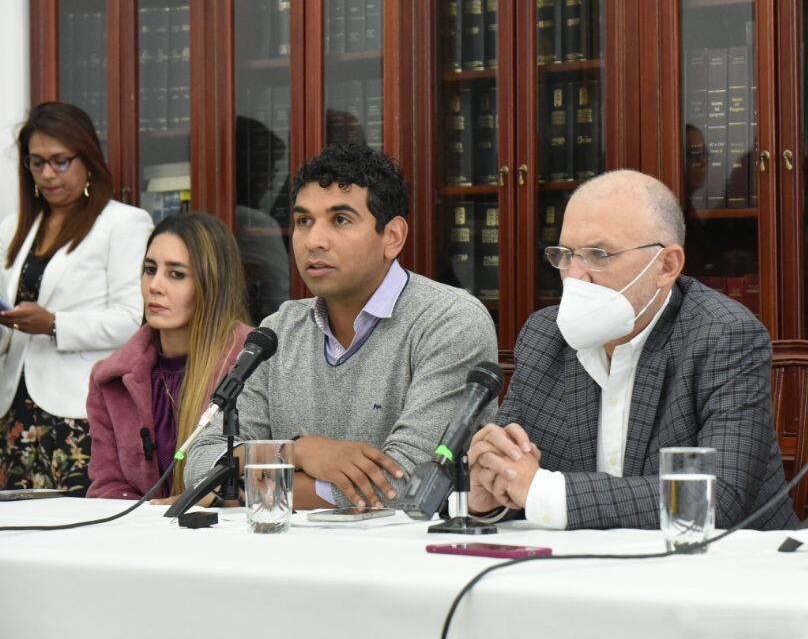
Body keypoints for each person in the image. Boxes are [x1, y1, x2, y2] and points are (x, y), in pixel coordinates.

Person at [467, 169, 796, 530]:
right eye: (566, 254)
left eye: (598, 254)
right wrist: (489, 497)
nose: (574, 276)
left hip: (729, 560)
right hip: (584, 561)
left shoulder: (723, 336)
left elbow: (715, 499)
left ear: (666, 266)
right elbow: (519, 476)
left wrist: (544, 490)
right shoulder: (546, 336)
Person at [181, 144, 498, 510]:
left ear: (393, 237)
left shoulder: (450, 322)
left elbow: (407, 484)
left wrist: (242, 492)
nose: (315, 241)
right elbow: (201, 462)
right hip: (286, 545)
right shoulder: (279, 330)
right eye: (304, 221)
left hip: (405, 546)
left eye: (341, 220)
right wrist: (297, 452)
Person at [0, 101, 154, 493]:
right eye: (36, 163)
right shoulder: (14, 227)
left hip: (77, 410)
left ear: (87, 160)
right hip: (13, 408)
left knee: (73, 520)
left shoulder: (122, 223)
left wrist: (54, 324)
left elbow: (132, 319)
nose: (47, 174)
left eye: (60, 161)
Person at [86, 213, 253, 499]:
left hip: (226, 526)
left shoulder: (251, 362)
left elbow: (268, 474)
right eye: (150, 270)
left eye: (176, 274)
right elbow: (108, 486)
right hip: (138, 527)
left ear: (212, 284)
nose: (155, 285)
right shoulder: (110, 378)